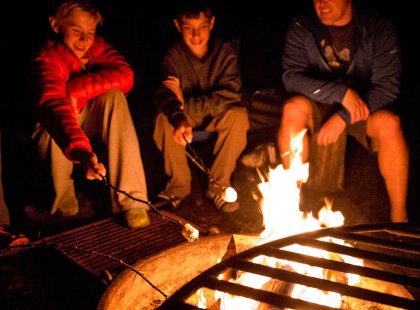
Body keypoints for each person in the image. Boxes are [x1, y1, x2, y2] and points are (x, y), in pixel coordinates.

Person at [278, 0, 409, 222]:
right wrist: (341, 94)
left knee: (390, 124)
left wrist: (344, 116)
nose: (322, 4)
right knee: (292, 110)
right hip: (319, 103)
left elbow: (388, 88)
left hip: (363, 106)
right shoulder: (304, 26)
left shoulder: (376, 28)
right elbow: (291, 77)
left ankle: (399, 218)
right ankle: (292, 206)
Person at [31, 0, 150, 228]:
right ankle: (64, 206)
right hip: (60, 122)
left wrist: (75, 90)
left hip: (86, 114)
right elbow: (54, 104)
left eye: (90, 32)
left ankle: (132, 201)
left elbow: (125, 75)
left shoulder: (97, 48)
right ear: (56, 25)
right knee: (52, 123)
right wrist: (81, 151)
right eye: (76, 31)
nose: (85, 40)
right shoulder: (48, 59)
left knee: (114, 97)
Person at [153, 0, 249, 213]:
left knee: (238, 116)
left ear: (212, 23)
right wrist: (179, 115)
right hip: (187, 118)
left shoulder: (225, 52)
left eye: (202, 27)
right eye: (189, 28)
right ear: (178, 26)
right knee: (164, 118)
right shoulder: (173, 56)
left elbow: (230, 95)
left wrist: (185, 103)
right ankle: (178, 187)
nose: (196, 35)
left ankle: (219, 187)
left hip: (215, 117)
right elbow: (164, 93)